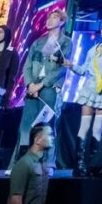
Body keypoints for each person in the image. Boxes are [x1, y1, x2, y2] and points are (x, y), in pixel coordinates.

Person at [63, 17, 102, 176]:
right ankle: (79, 165)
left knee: (97, 129)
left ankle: (92, 164)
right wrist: (71, 65)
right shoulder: (94, 50)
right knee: (84, 126)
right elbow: (84, 70)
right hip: (90, 90)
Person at [17, 9, 71, 163]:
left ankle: (47, 163)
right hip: (33, 87)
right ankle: (22, 162)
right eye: (49, 17)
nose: (49, 20)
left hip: (49, 87)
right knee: (25, 126)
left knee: (46, 125)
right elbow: (27, 65)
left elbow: (61, 69)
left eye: (54, 18)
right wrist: (30, 84)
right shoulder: (38, 42)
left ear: (61, 22)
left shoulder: (65, 42)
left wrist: (41, 85)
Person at [8, 124, 51, 204]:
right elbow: (15, 201)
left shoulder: (42, 163)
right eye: (49, 134)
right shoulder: (24, 164)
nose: (53, 137)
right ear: (37, 140)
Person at [0, 24, 19, 121]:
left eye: (1, 32)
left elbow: (11, 77)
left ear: (6, 34)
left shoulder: (12, 52)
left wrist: (7, 96)